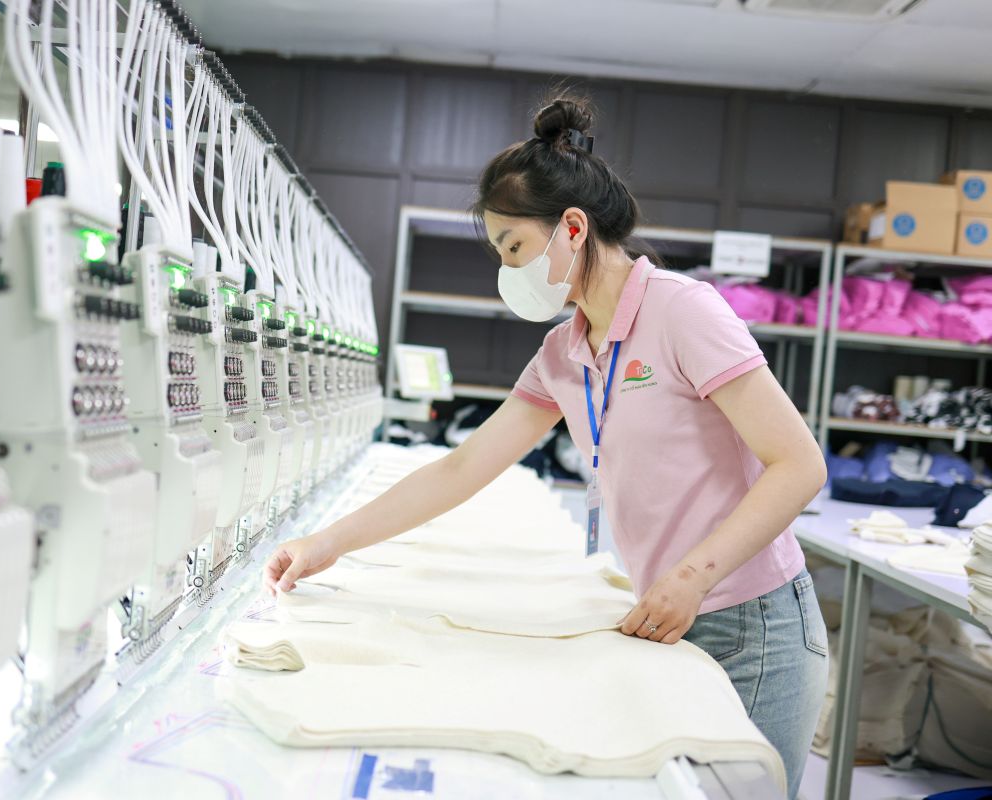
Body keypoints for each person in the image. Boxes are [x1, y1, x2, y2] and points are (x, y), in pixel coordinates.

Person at [264, 96, 829, 799]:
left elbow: (799, 464)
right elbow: (463, 466)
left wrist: (692, 577)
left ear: (572, 227)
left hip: (755, 625)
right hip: (663, 613)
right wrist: (326, 545)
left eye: (513, 248)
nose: (507, 271)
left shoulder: (684, 311)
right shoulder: (563, 352)